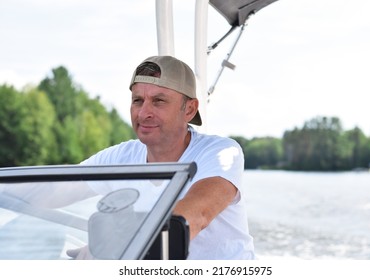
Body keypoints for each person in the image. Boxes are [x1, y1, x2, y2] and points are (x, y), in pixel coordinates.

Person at [76, 55, 255, 260]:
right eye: (138, 100)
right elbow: (53, 190)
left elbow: (195, 217)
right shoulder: (120, 156)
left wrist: (109, 244)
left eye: (158, 101)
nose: (144, 113)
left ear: (189, 109)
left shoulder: (222, 153)